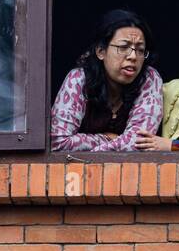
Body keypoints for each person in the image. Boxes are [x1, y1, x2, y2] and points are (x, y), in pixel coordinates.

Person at [50, 9, 163, 152]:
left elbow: (139, 142)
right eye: (123, 47)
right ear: (100, 51)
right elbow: (58, 141)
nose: (133, 56)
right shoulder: (78, 79)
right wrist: (108, 138)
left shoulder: (149, 78)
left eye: (140, 50)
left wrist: (96, 147)